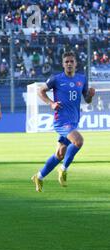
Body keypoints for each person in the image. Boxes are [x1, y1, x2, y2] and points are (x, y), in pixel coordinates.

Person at [31, 51, 95, 192]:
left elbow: (87, 99)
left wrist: (90, 95)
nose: (69, 64)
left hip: (74, 121)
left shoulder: (82, 79)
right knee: (78, 141)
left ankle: (39, 176)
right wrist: (51, 103)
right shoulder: (56, 79)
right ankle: (63, 170)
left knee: (60, 154)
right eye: (66, 62)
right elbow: (41, 91)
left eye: (72, 61)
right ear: (63, 64)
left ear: (76, 63)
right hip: (61, 121)